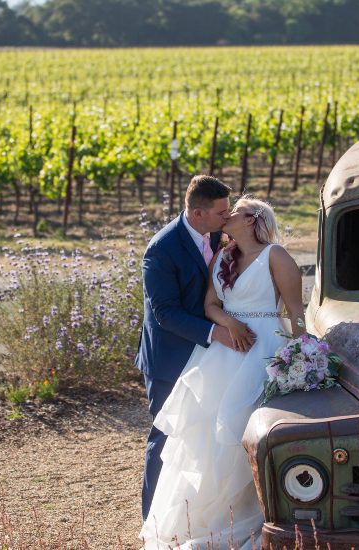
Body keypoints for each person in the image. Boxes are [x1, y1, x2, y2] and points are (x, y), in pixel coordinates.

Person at [140, 196, 306, 549]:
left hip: (264, 351)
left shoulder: (277, 256)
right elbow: (210, 305)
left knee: (245, 429)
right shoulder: (223, 256)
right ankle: (206, 520)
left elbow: (296, 312)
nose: (228, 215)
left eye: (236, 210)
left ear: (253, 220)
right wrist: (229, 323)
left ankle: (258, 512)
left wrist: (306, 352)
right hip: (224, 351)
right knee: (206, 433)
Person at [137, 175, 245, 520]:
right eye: (221, 212)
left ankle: (196, 514)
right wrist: (216, 332)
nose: (227, 218)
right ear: (197, 214)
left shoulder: (217, 234)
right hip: (170, 359)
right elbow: (166, 314)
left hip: (209, 357)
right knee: (166, 437)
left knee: (205, 435)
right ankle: (152, 520)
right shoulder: (161, 249)